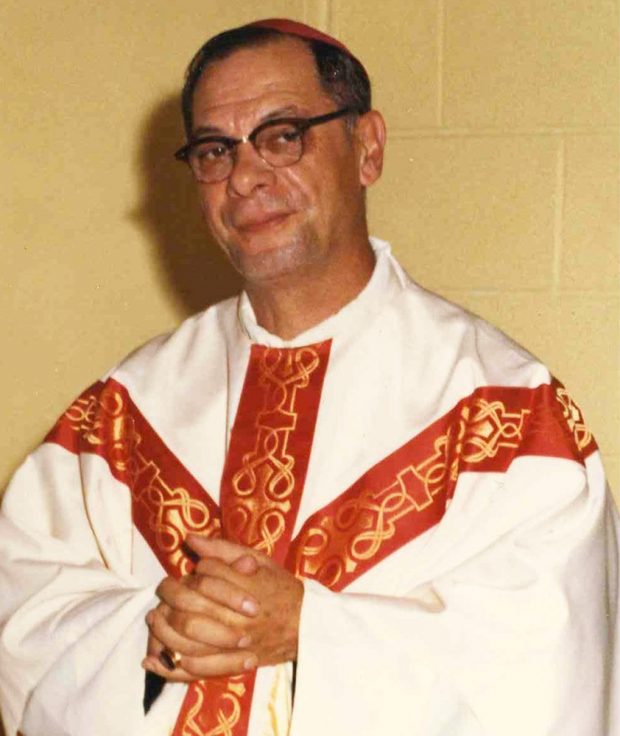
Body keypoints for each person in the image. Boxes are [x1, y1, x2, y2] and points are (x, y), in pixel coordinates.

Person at [0, 17, 618, 736]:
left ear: (368, 148)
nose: (246, 177)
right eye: (214, 150)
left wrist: (309, 630)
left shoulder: (504, 410)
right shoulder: (120, 412)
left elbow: (548, 656)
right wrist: (162, 621)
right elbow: (25, 615)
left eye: (282, 134)